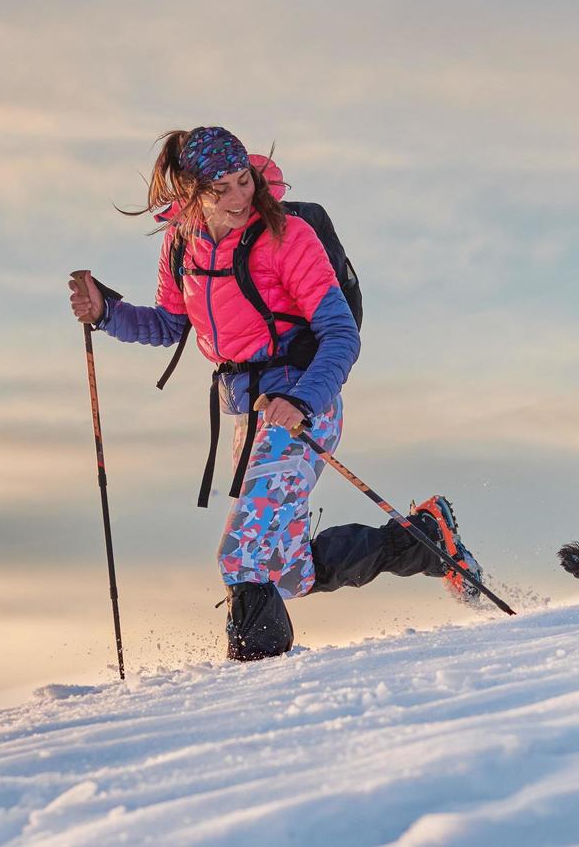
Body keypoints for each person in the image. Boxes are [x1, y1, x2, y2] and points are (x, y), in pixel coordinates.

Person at [68, 126, 482, 661]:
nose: (241, 198)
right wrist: (106, 313)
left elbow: (340, 333)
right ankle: (424, 541)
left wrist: (303, 401)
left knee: (242, 555)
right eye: (224, 189)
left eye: (245, 181)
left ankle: (256, 682)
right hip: (248, 412)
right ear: (192, 192)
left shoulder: (287, 236)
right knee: (285, 569)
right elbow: (170, 325)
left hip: (304, 404)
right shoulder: (181, 244)